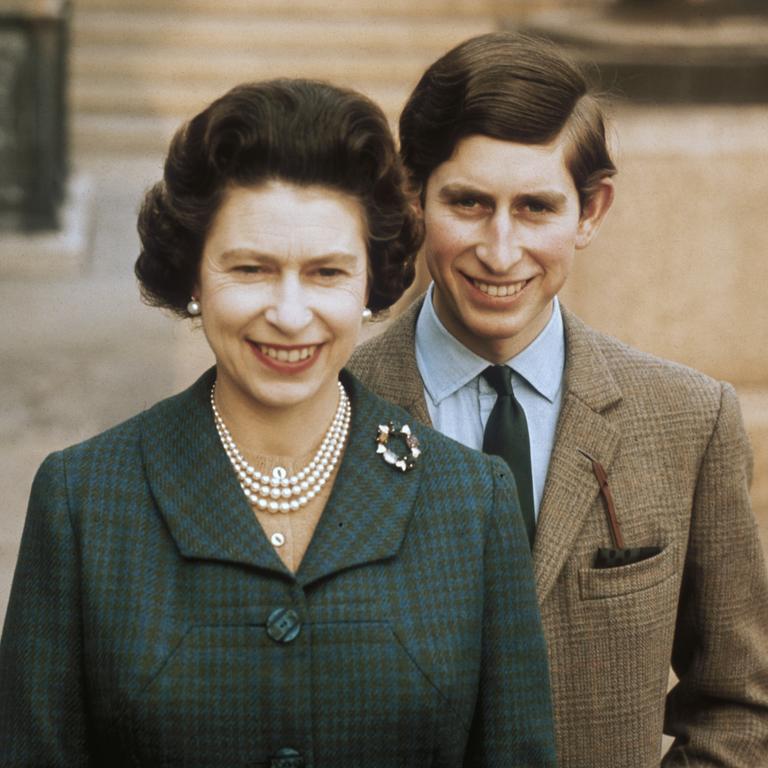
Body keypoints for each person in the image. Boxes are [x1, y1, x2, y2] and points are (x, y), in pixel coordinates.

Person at [0, 78, 557, 766]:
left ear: (370, 284)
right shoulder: (84, 500)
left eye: (326, 273)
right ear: (195, 280)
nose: (291, 314)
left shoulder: (472, 502)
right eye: (252, 269)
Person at [349, 32, 768, 768]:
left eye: (536, 207)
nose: (501, 250)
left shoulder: (688, 420)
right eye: (469, 203)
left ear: (591, 209)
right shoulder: (330, 410)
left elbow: (741, 702)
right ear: (413, 196)